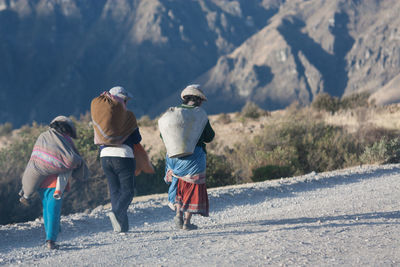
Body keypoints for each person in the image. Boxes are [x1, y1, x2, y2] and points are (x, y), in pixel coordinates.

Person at [20, 116, 89, 250]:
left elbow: (37, 157)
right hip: (55, 183)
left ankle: (50, 236)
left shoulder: (43, 136)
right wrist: (79, 164)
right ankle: (51, 240)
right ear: (67, 129)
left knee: (47, 209)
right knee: (53, 210)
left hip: (39, 181)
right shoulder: (66, 140)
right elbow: (71, 160)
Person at [160, 84, 215, 230]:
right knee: (192, 186)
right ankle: (186, 222)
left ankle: (178, 213)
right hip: (194, 156)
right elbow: (209, 137)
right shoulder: (200, 114)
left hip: (174, 158)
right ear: (198, 100)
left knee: (179, 185)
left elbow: (162, 135)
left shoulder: (172, 113)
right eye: (201, 100)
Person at [92, 86, 142, 233]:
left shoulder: (102, 116)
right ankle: (116, 213)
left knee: (115, 191)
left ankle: (121, 226)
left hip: (105, 156)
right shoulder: (127, 116)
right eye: (125, 100)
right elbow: (137, 138)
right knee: (128, 191)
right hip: (123, 156)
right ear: (123, 100)